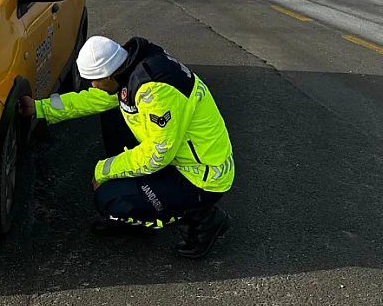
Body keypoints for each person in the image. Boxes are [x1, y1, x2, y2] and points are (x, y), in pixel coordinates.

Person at [19, 36, 234, 259]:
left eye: (95, 80)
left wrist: (104, 170)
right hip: (180, 157)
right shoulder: (132, 69)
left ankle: (205, 218)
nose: (92, 85)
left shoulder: (155, 92)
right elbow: (94, 99)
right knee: (113, 111)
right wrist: (40, 108)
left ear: (110, 73)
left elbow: (156, 155)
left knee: (109, 198)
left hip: (202, 176)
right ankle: (138, 213)